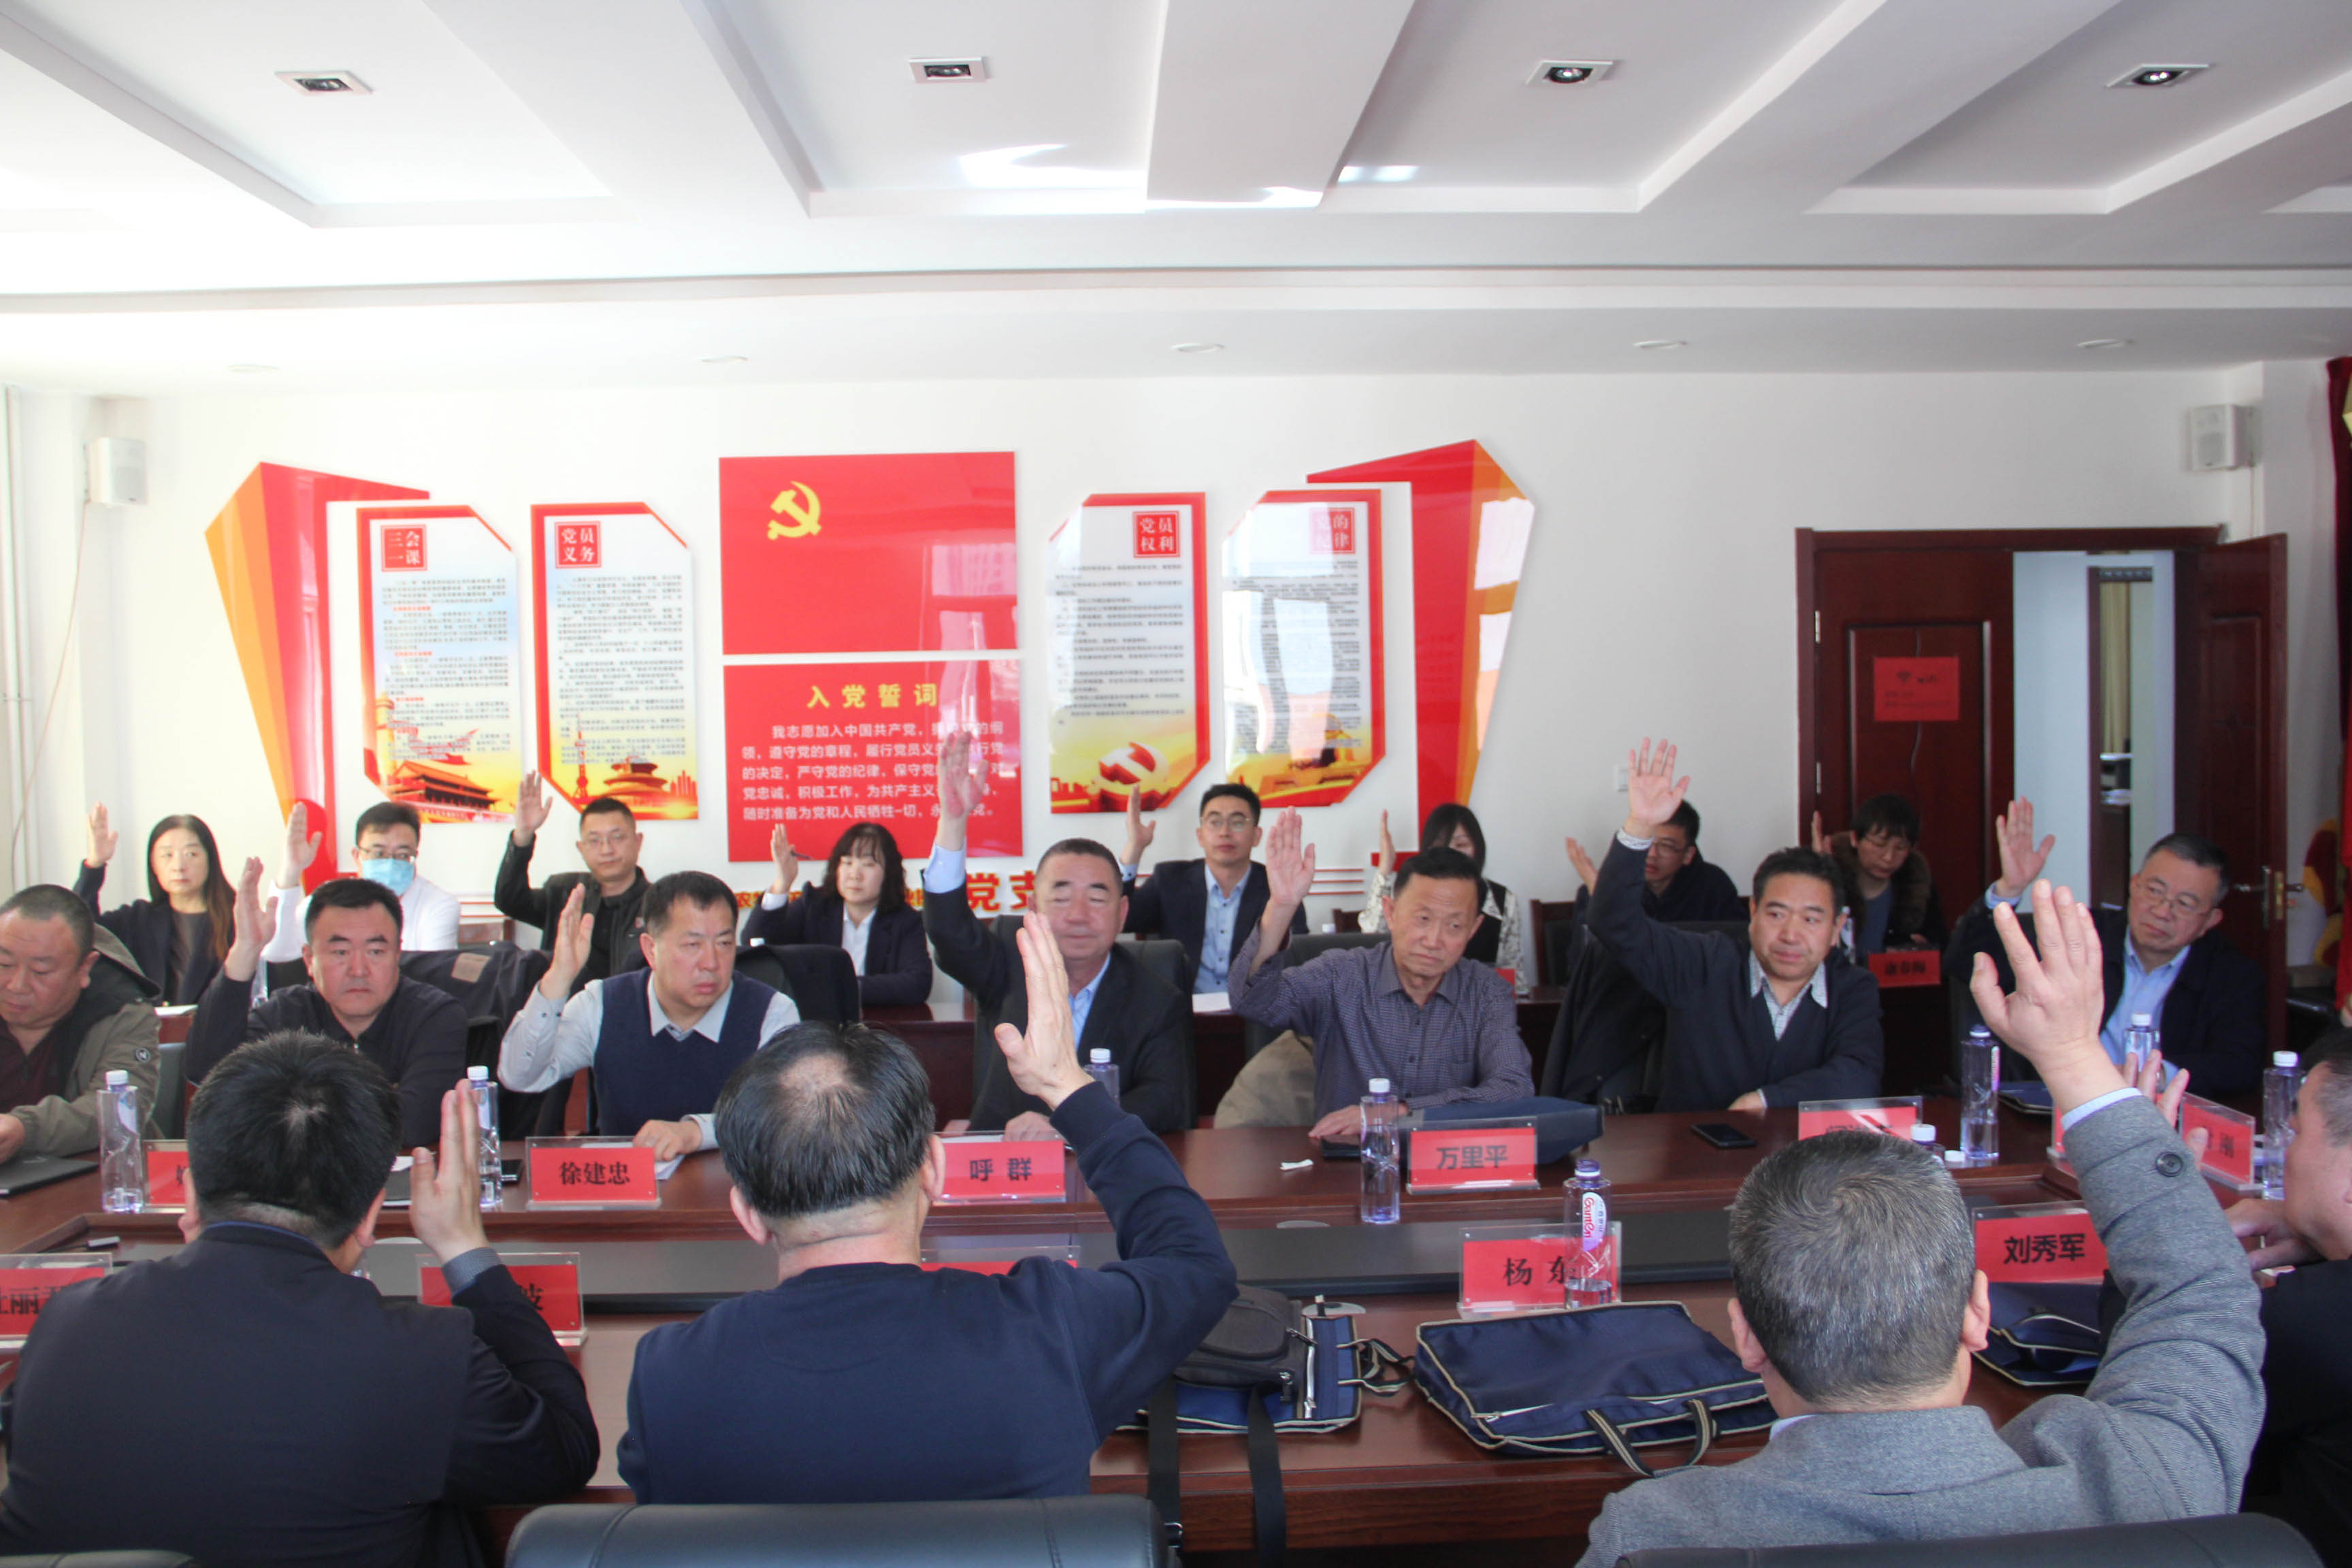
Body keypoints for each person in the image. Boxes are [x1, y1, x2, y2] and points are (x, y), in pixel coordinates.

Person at [1577, 877, 2265, 1563]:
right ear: (1977, 1313)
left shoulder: (1655, 1538)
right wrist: (2076, 1059)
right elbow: (2201, 1293)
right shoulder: (2145, 1485)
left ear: (1747, 1337)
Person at [617, 917, 1235, 1503]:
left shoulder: (671, 1380)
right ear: (934, 1169)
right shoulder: (1048, 1330)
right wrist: (1069, 1090)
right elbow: (1195, 1265)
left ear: (747, 1213)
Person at [0, 1035, 597, 1566]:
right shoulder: (422, 1356)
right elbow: (566, 1450)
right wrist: (465, 1247)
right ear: (370, 1217)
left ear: (190, 1194)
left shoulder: (65, 1324)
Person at [1585, 739, 1882, 1111]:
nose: (1791, 935)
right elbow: (1613, 922)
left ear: (1837, 927)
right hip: (1693, 1146)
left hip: (1807, 1149)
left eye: (1811, 919)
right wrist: (1640, 825)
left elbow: (1860, 1074)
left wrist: (1765, 1100)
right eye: (1776, 914)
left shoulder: (1852, 987)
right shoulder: (1702, 963)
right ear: (1753, 912)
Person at [921, 731, 1190, 1136]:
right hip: (1006, 1163)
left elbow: (1165, 1102)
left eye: (1096, 899)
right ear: (1033, 909)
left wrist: (1070, 1127)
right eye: (1061, 898)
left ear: (1122, 914)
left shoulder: (1157, 997)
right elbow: (948, 931)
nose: (1078, 916)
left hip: (1104, 1169)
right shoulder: (1005, 966)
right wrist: (953, 822)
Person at [1232, 809, 1544, 1141]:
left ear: (1474, 929)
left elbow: (1512, 1088)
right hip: (1347, 1162)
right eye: (1422, 919)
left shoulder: (1487, 992)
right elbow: (1252, 1000)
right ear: (1391, 913)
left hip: (1445, 1160)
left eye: (1454, 925)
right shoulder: (1341, 976)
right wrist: (1281, 907)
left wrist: (1400, 1112)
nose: (1434, 940)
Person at [1946, 799, 2264, 1094]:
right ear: (2134, 885)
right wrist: (2010, 889)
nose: (2162, 911)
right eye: (2155, 891)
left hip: (2158, 1115)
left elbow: (2239, 1063)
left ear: (2210, 920)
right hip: (2056, 1105)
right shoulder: (2080, 934)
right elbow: (1964, 963)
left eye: (2184, 903)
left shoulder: (2232, 974)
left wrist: (2154, 1077)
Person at [497, 871, 800, 1160]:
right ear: (651, 949)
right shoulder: (601, 1004)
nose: (711, 962)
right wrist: (558, 979)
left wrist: (698, 1132)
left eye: (724, 943)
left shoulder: (771, 1012)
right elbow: (520, 1076)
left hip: (732, 1192)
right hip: (625, 1190)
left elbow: (786, 1115)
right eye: (692, 945)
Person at [189, 860, 466, 1149]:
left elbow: (415, 1123)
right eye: (340, 952)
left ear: (398, 955)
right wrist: (246, 949)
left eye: (375, 951)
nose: (359, 970)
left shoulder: (435, 1016)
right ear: (309, 960)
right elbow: (210, 1076)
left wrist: (292, 1116)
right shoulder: (285, 1015)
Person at [2223, 1028, 2352, 1562]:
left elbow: (2159, 1388)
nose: (2284, 1156)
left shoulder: (2315, 1321)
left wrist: (2178, 1237)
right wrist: (2326, 1245)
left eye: (2295, 1133)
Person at [0, 885, 159, 1162]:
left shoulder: (122, 1012)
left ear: (85, 967)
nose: (17, 985)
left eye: (40, 971)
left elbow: (120, 1111)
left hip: (98, 1175)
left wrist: (26, 1129)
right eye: (3, 964)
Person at [1119, 783, 1305, 994]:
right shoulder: (1170, 879)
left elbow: (1296, 955)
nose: (1225, 832)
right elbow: (1121, 919)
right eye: (1215, 822)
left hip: (1254, 1009)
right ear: (1200, 835)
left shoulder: (1278, 888)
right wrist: (1134, 847)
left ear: (1256, 836)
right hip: (1182, 1008)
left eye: (1238, 823)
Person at [742, 819, 933, 1007]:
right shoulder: (813, 906)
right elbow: (756, 943)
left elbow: (917, 984)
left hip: (878, 1023)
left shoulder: (905, 921)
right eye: (847, 862)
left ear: (889, 873)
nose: (855, 875)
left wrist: (843, 986)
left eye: (868, 864)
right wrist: (783, 883)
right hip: (816, 1021)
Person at [257, 802, 461, 965]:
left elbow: (431, 974)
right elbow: (276, 953)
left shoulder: (439, 905)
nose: (390, 863)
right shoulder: (328, 899)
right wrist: (291, 870)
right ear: (357, 856)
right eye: (378, 853)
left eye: (402, 855)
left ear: (415, 857)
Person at [497, 777, 651, 993]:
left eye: (617, 837)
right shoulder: (564, 892)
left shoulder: (659, 904)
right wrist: (523, 836)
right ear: (581, 848)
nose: (607, 850)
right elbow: (509, 901)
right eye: (595, 840)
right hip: (562, 1006)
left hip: (626, 1006)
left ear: (638, 842)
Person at [74, 804, 235, 1003]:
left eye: (191, 854)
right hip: (151, 1023)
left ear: (210, 859)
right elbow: (79, 931)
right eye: (167, 855)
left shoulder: (238, 919)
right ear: (154, 865)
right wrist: (94, 865)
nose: (178, 866)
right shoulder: (138, 920)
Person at [1363, 804, 1524, 976]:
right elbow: (1372, 940)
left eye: (1461, 844)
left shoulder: (1502, 900)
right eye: (1440, 845)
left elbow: (1513, 972)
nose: (1450, 853)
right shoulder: (1410, 892)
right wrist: (1385, 868)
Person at [1566, 799, 1746, 924]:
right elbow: (1585, 959)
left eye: (1666, 846)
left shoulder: (1714, 886)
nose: (1652, 854)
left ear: (1688, 855)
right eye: (1646, 842)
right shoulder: (1603, 887)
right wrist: (1602, 896)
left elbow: (1735, 947)